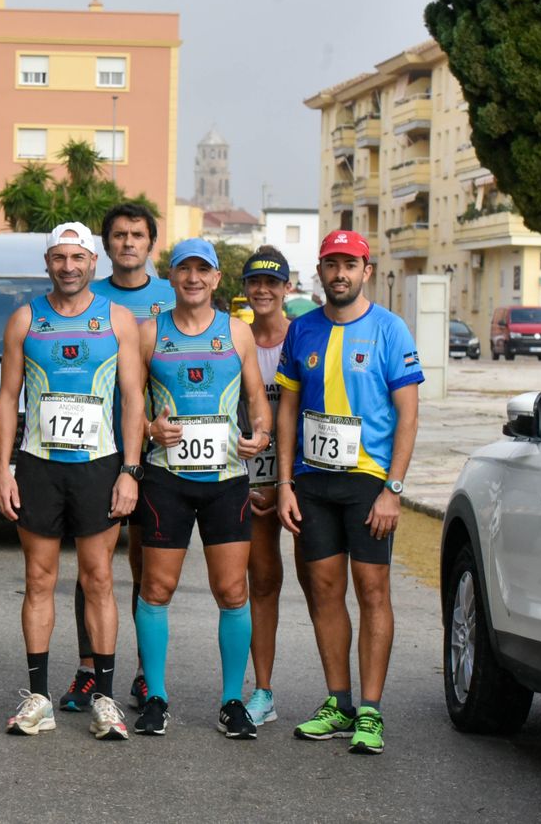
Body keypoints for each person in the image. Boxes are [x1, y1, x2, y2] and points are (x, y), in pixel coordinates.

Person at [0, 222, 144, 741]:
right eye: (59, 258)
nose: (69, 267)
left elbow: (134, 400)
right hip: (39, 464)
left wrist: (130, 469)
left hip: (100, 465)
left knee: (98, 579)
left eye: (77, 258)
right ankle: (37, 696)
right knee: (39, 580)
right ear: (48, 263)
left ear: (93, 265)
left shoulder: (118, 320)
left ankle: (104, 698)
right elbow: (7, 396)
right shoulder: (25, 319)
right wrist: (3, 467)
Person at [276, 229, 422, 755]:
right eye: (331, 264)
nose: (340, 273)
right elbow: (287, 410)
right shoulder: (302, 331)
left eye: (349, 264)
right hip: (313, 483)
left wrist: (393, 489)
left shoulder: (390, 330)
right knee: (323, 591)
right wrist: (286, 483)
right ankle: (338, 702)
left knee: (373, 592)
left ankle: (371, 711)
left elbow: (408, 413)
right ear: (320, 271)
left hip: (368, 483)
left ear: (366, 271)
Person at [129, 238, 271, 740]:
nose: (193, 278)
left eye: (202, 270)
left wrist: (262, 433)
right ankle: (157, 697)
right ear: (171, 277)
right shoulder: (149, 334)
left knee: (232, 591)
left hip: (225, 478)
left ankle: (233, 700)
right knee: (156, 588)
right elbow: (128, 404)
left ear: (215, 279)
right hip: (166, 477)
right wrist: (149, 429)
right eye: (184, 269)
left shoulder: (237, 333)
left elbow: (257, 399)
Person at [60, 202, 177, 712]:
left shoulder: (173, 297)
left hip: (165, 454)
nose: (128, 242)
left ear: (151, 243)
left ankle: (144, 674)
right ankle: (90, 668)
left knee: (148, 567)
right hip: (97, 450)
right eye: (119, 235)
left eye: (137, 234)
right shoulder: (88, 294)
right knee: (95, 567)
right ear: (104, 246)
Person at [237, 246, 304, 727]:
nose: (263, 290)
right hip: (249, 476)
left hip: (302, 475)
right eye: (255, 282)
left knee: (321, 584)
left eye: (272, 283)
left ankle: (342, 697)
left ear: (287, 288)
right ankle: (262, 690)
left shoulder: (304, 336)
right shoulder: (233, 335)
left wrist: (289, 482)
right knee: (261, 580)